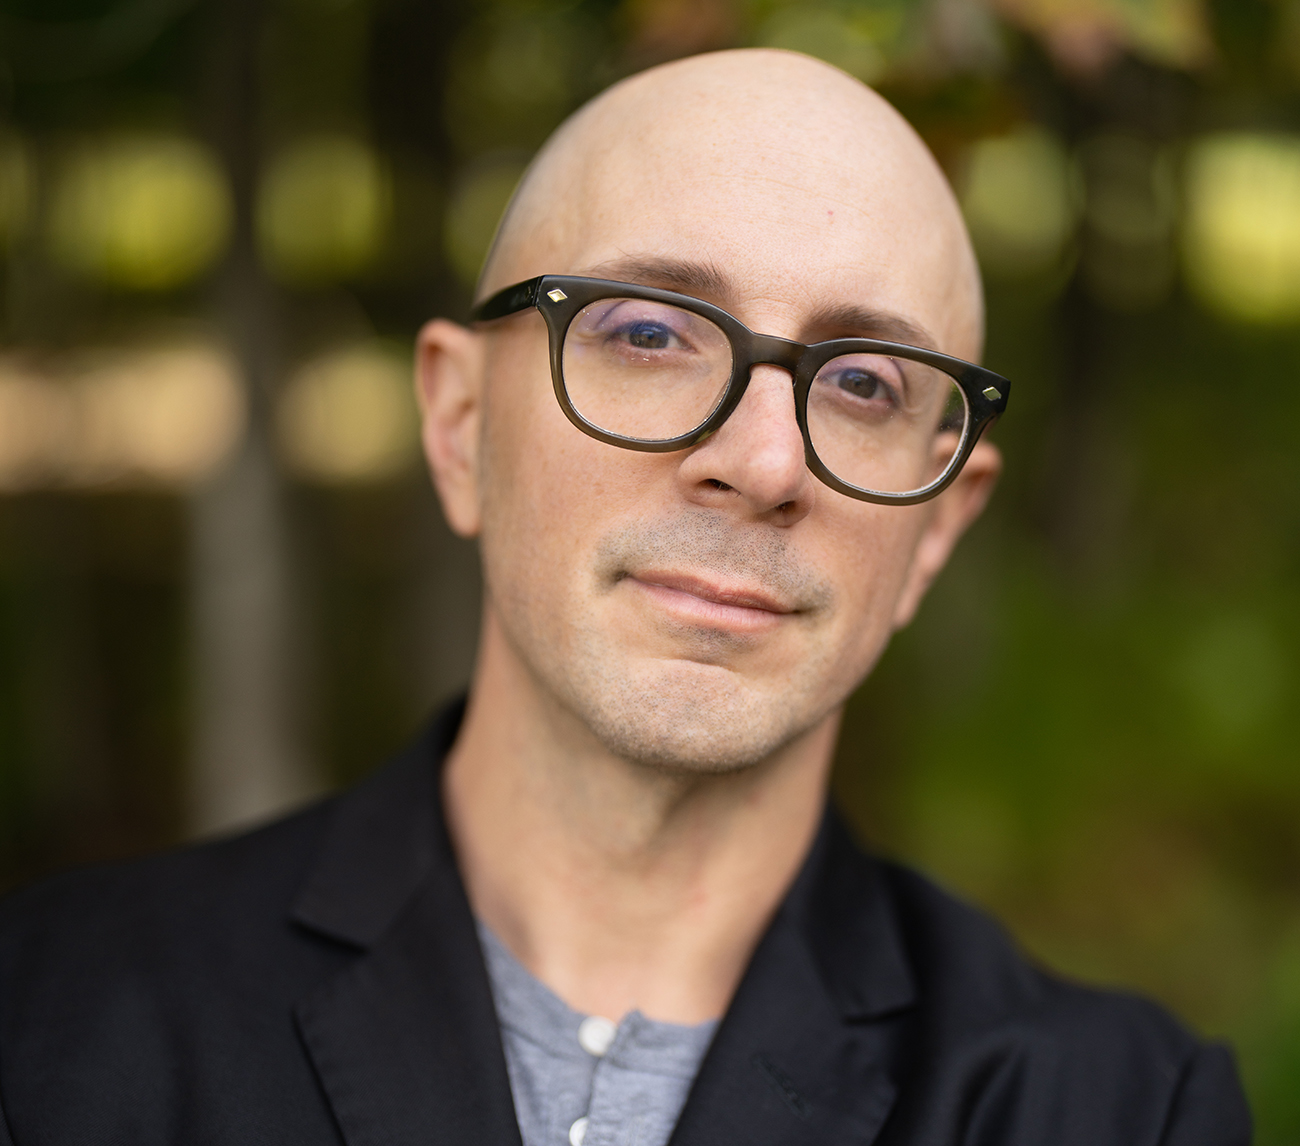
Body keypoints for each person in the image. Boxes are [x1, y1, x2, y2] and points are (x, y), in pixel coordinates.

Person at [0, 49, 1249, 1146]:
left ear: (937, 529)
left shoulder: (1120, 1113)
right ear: (459, 423)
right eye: (649, 334)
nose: (761, 462)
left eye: (863, 382)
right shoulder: (48, 1021)